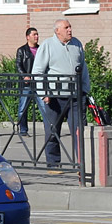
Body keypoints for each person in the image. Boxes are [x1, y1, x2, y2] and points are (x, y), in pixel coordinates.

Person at [32, 19, 90, 168]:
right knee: (52, 131)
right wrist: (43, 93)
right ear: (57, 31)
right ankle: (53, 164)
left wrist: (85, 90)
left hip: (75, 96)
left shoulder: (76, 44)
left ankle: (83, 166)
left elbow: (83, 69)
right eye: (66, 27)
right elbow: (38, 71)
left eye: (70, 27)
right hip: (54, 97)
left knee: (79, 132)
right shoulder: (47, 45)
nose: (70, 30)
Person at [15, 27, 41, 136]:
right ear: (28, 37)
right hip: (27, 84)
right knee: (23, 108)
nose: (36, 37)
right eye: (34, 34)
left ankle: (51, 130)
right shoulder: (22, 50)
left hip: (39, 83)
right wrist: (25, 76)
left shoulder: (41, 49)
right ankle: (23, 130)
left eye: (37, 34)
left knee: (44, 107)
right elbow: (18, 65)